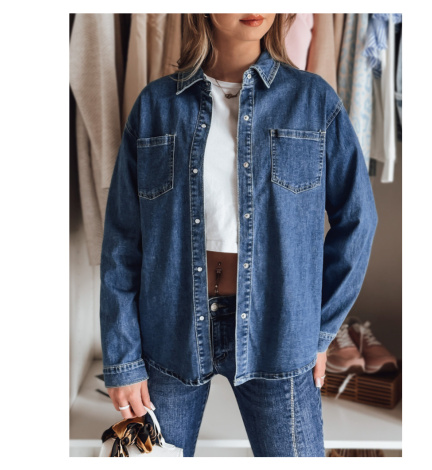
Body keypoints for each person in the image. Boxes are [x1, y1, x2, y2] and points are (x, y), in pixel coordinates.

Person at [99, 13, 378, 457]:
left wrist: (320, 330)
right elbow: (121, 243)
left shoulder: (313, 101)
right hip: (170, 331)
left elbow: (358, 219)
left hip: (279, 332)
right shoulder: (156, 105)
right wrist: (123, 360)